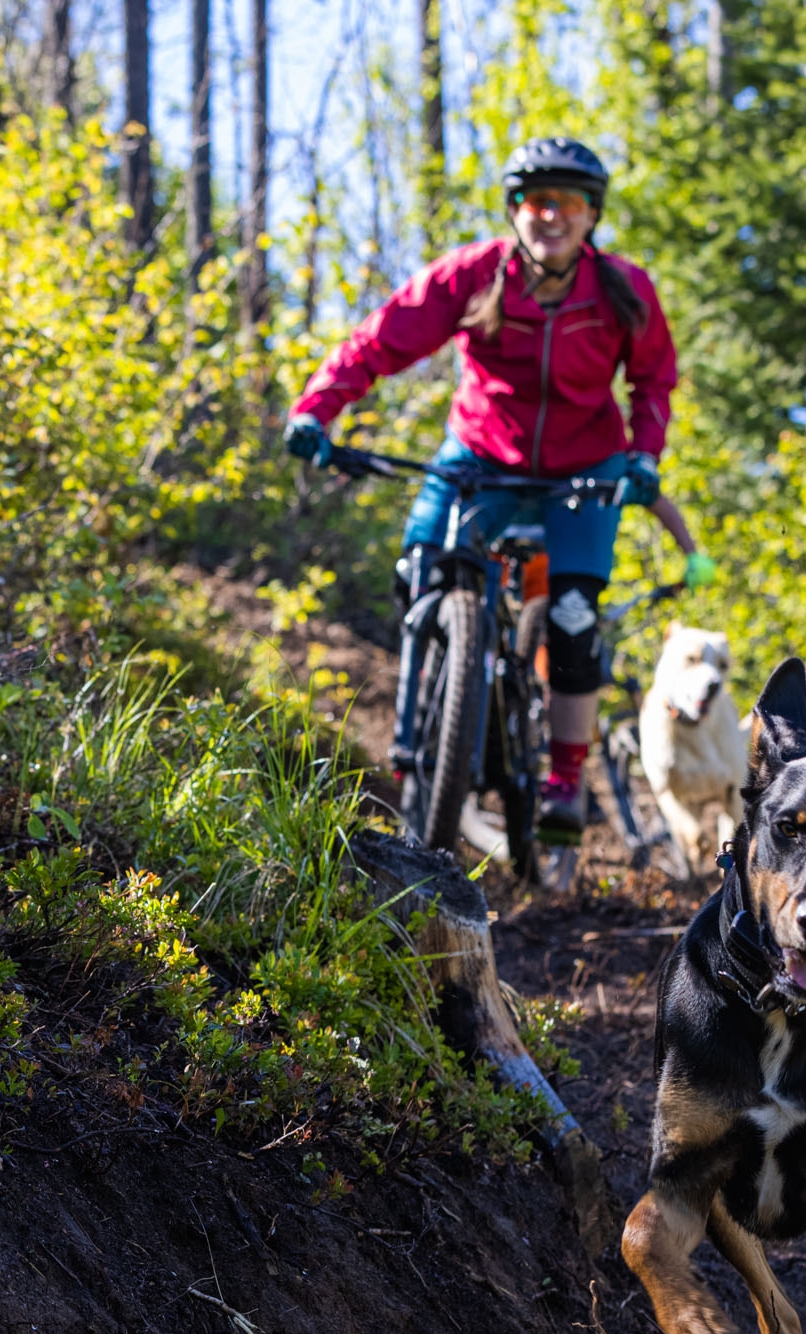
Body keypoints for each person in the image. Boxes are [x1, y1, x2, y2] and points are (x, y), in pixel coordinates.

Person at [283, 137, 715, 846]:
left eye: (569, 202)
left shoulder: (623, 289)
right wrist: (315, 411)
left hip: (586, 467)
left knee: (572, 613)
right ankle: (431, 727)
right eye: (537, 200)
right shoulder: (474, 275)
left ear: (592, 215)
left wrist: (643, 455)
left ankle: (565, 781)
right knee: (421, 570)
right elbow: (382, 338)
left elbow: (653, 380)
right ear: (515, 209)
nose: (552, 215)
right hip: (481, 455)